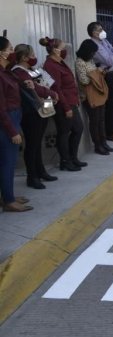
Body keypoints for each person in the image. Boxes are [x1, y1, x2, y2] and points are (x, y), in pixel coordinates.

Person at [12, 44, 59, 189]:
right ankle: (32, 177)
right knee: (32, 145)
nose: (34, 57)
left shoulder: (30, 69)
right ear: (24, 57)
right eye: (32, 55)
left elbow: (43, 81)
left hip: (43, 106)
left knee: (38, 142)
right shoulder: (18, 71)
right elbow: (35, 87)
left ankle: (41, 171)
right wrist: (51, 93)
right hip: (31, 111)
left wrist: (50, 92)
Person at [41, 36, 87, 171]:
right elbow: (57, 89)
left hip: (71, 101)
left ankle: (73, 157)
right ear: (55, 50)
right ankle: (65, 161)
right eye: (62, 48)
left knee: (78, 129)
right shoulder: (50, 65)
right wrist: (66, 107)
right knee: (64, 132)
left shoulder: (59, 62)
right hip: (63, 104)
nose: (65, 50)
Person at [0, 37, 33, 212]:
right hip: (7, 121)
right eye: (9, 48)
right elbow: (1, 108)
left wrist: (24, 82)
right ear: (1, 53)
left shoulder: (7, 71)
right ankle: (9, 201)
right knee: (8, 162)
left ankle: (7, 195)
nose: (12, 52)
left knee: (6, 161)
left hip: (14, 117)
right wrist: (13, 131)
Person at [87, 22, 113, 143]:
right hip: (106, 75)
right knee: (110, 104)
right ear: (94, 33)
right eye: (99, 30)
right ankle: (110, 132)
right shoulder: (95, 45)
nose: (102, 31)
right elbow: (110, 60)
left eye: (102, 29)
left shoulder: (104, 42)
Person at [75, 39, 113, 156]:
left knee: (101, 119)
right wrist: (97, 73)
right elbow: (84, 80)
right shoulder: (80, 62)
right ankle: (97, 145)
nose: (93, 55)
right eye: (92, 52)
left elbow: (92, 76)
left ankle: (103, 142)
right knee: (94, 121)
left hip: (98, 92)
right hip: (89, 94)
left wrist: (98, 72)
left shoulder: (90, 60)